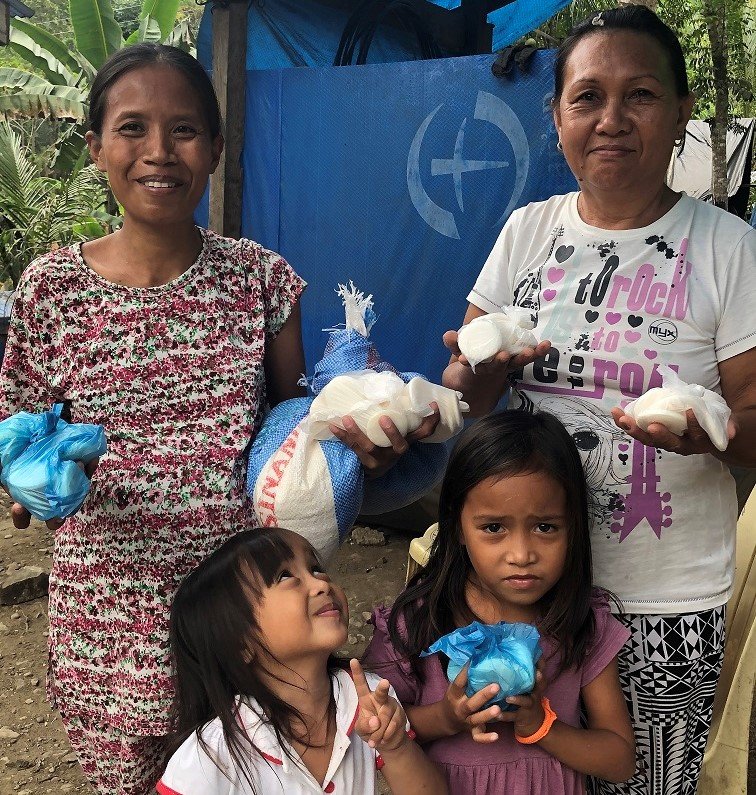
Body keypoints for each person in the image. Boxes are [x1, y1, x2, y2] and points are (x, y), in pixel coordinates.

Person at [0, 44, 437, 795]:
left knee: (261, 775)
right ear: (95, 145)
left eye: (185, 130)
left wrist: (362, 439)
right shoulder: (52, 290)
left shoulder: (260, 279)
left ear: (217, 148)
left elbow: (296, 427)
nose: (159, 152)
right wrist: (24, 484)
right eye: (132, 128)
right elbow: (19, 432)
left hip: (251, 621)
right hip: (111, 624)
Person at [442, 7, 756, 793]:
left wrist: (707, 435)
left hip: (664, 600)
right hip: (531, 593)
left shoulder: (726, 246)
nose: (611, 119)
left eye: (640, 95)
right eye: (587, 98)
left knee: (649, 781)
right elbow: (468, 390)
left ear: (682, 111)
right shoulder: (527, 230)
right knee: (522, 776)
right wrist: (478, 371)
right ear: (556, 118)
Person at [363, 410, 636, 794]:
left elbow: (620, 760)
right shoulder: (417, 624)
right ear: (457, 527)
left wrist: (542, 727)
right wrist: (446, 716)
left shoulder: (581, 626)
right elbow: (373, 726)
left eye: (546, 527)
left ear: (573, 527)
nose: (521, 554)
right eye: (494, 528)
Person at [158, 526, 447, 794]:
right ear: (240, 644)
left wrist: (395, 747)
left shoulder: (367, 699)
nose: (321, 584)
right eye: (284, 576)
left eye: (316, 568)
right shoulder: (213, 751)